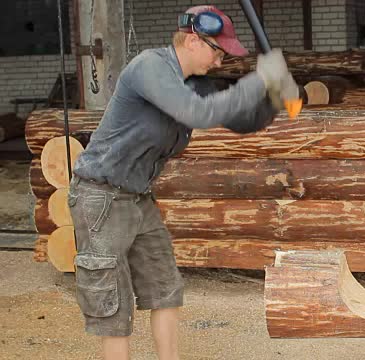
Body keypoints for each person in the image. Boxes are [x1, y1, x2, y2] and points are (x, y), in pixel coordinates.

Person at [67, 5, 297, 360]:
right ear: (192, 40)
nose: (219, 62)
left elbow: (241, 120)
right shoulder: (150, 67)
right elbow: (198, 114)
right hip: (100, 197)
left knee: (165, 290)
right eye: (216, 51)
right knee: (112, 306)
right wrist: (260, 78)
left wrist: (272, 99)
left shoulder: (193, 84)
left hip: (137, 197)